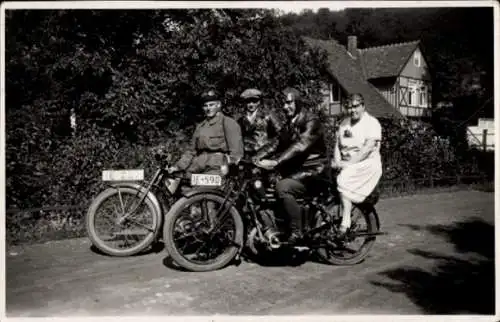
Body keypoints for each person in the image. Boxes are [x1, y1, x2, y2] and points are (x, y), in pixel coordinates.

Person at [255, 87, 327, 244]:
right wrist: (255, 158)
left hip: (314, 170)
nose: (285, 107)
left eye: (289, 103)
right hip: (298, 170)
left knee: (283, 187)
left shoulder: (310, 120)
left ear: (298, 102)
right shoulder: (290, 123)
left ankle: (297, 231)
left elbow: (301, 145)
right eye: (283, 104)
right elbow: (275, 143)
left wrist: (276, 161)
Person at [332, 93, 383, 235]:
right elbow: (337, 145)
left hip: (366, 164)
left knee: (343, 179)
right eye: (349, 107)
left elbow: (367, 149)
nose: (352, 110)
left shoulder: (372, 123)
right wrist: (337, 161)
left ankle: (346, 221)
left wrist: (348, 164)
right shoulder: (344, 123)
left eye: (356, 107)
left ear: (363, 106)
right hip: (347, 163)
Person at [167, 89, 244, 177]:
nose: (208, 108)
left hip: (216, 166)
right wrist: (177, 167)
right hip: (197, 165)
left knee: (202, 189)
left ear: (218, 105)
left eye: (211, 105)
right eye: (205, 106)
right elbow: (191, 151)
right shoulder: (200, 126)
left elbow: (236, 154)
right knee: (182, 186)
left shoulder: (228, 123)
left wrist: (226, 165)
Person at [238, 88, 283, 160]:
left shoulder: (268, 115)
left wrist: (268, 150)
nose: (251, 104)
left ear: (259, 102)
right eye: (248, 101)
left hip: (266, 156)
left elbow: (280, 135)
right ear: (244, 103)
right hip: (247, 157)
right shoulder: (240, 120)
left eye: (254, 101)